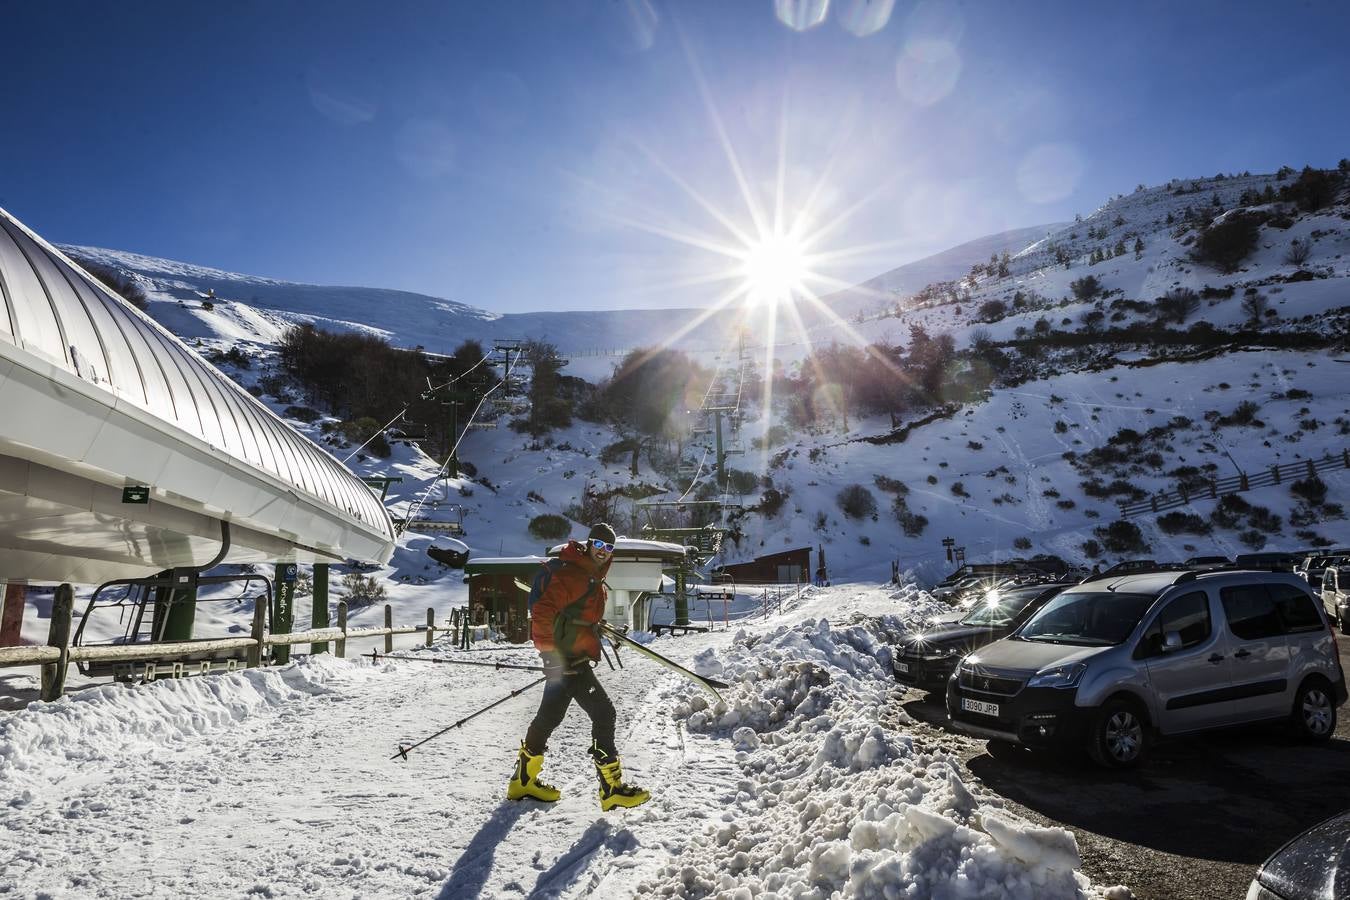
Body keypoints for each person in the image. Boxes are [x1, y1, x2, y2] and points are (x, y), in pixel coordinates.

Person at [506, 523, 650, 811]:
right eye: (598, 544)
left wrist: (597, 627)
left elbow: (574, 615)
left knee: (549, 717)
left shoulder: (589, 575)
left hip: (571, 656)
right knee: (604, 713)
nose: (603, 551)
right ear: (589, 544)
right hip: (568, 660)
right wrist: (548, 654)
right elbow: (544, 611)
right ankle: (612, 788)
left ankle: (522, 781)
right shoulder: (575, 574)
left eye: (609, 548)